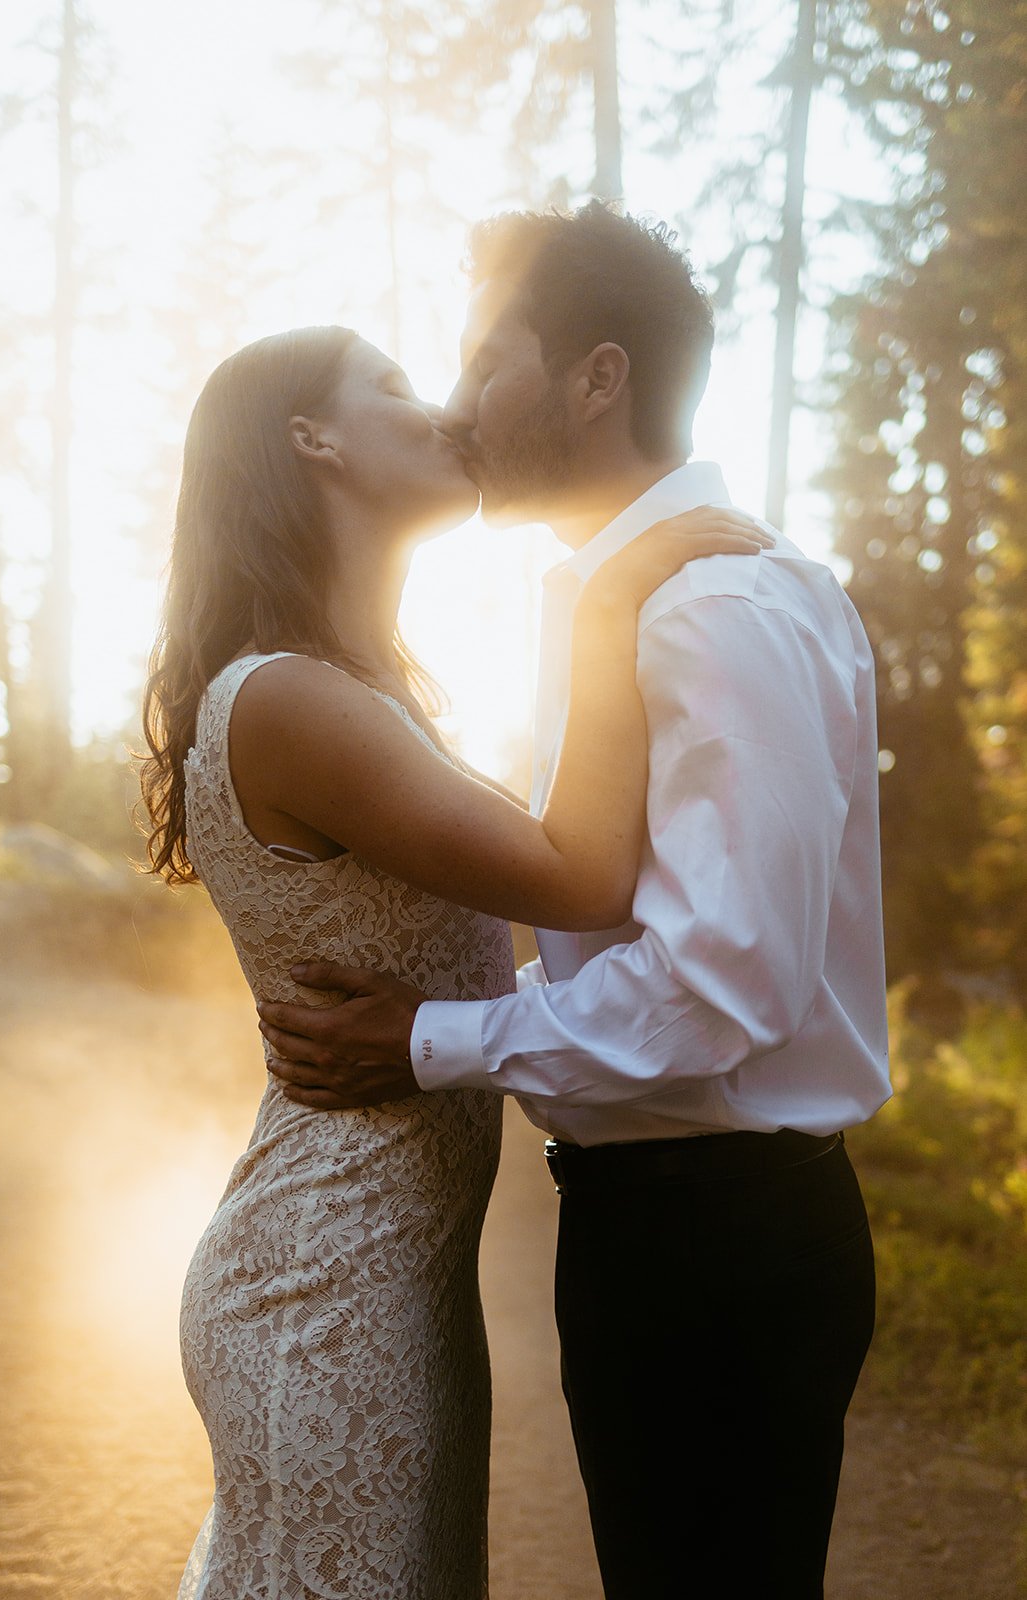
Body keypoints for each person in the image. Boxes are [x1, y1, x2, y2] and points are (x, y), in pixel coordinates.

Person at [257, 202, 893, 1599]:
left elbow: (720, 983)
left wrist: (430, 1039)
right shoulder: (621, 602)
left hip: (714, 1235)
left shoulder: (709, 607)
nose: (458, 402)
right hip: (662, 1222)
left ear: (594, 378)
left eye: (489, 357)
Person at [140, 319, 770, 1600]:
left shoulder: (357, 691)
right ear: (310, 441)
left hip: (386, 1276)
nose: (439, 410)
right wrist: (611, 597)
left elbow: (495, 961)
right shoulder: (292, 700)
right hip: (328, 1280)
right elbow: (579, 876)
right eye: (391, 385)